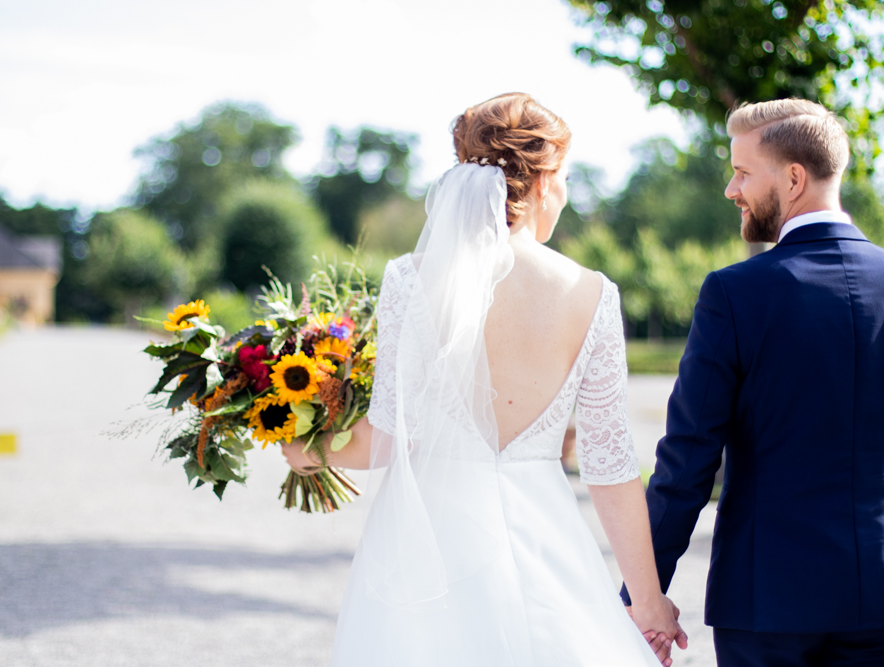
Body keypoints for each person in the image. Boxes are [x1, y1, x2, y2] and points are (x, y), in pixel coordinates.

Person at [282, 93, 686, 666]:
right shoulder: (592, 294)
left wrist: (308, 449)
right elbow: (610, 466)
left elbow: (389, 439)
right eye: (565, 178)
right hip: (544, 541)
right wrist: (648, 603)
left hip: (430, 555)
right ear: (543, 182)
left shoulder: (409, 279)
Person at [622, 98, 884, 666]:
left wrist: (643, 598)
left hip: (766, 601)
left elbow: (687, 462)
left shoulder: (734, 294)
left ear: (794, 178)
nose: (731, 189)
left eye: (743, 172)